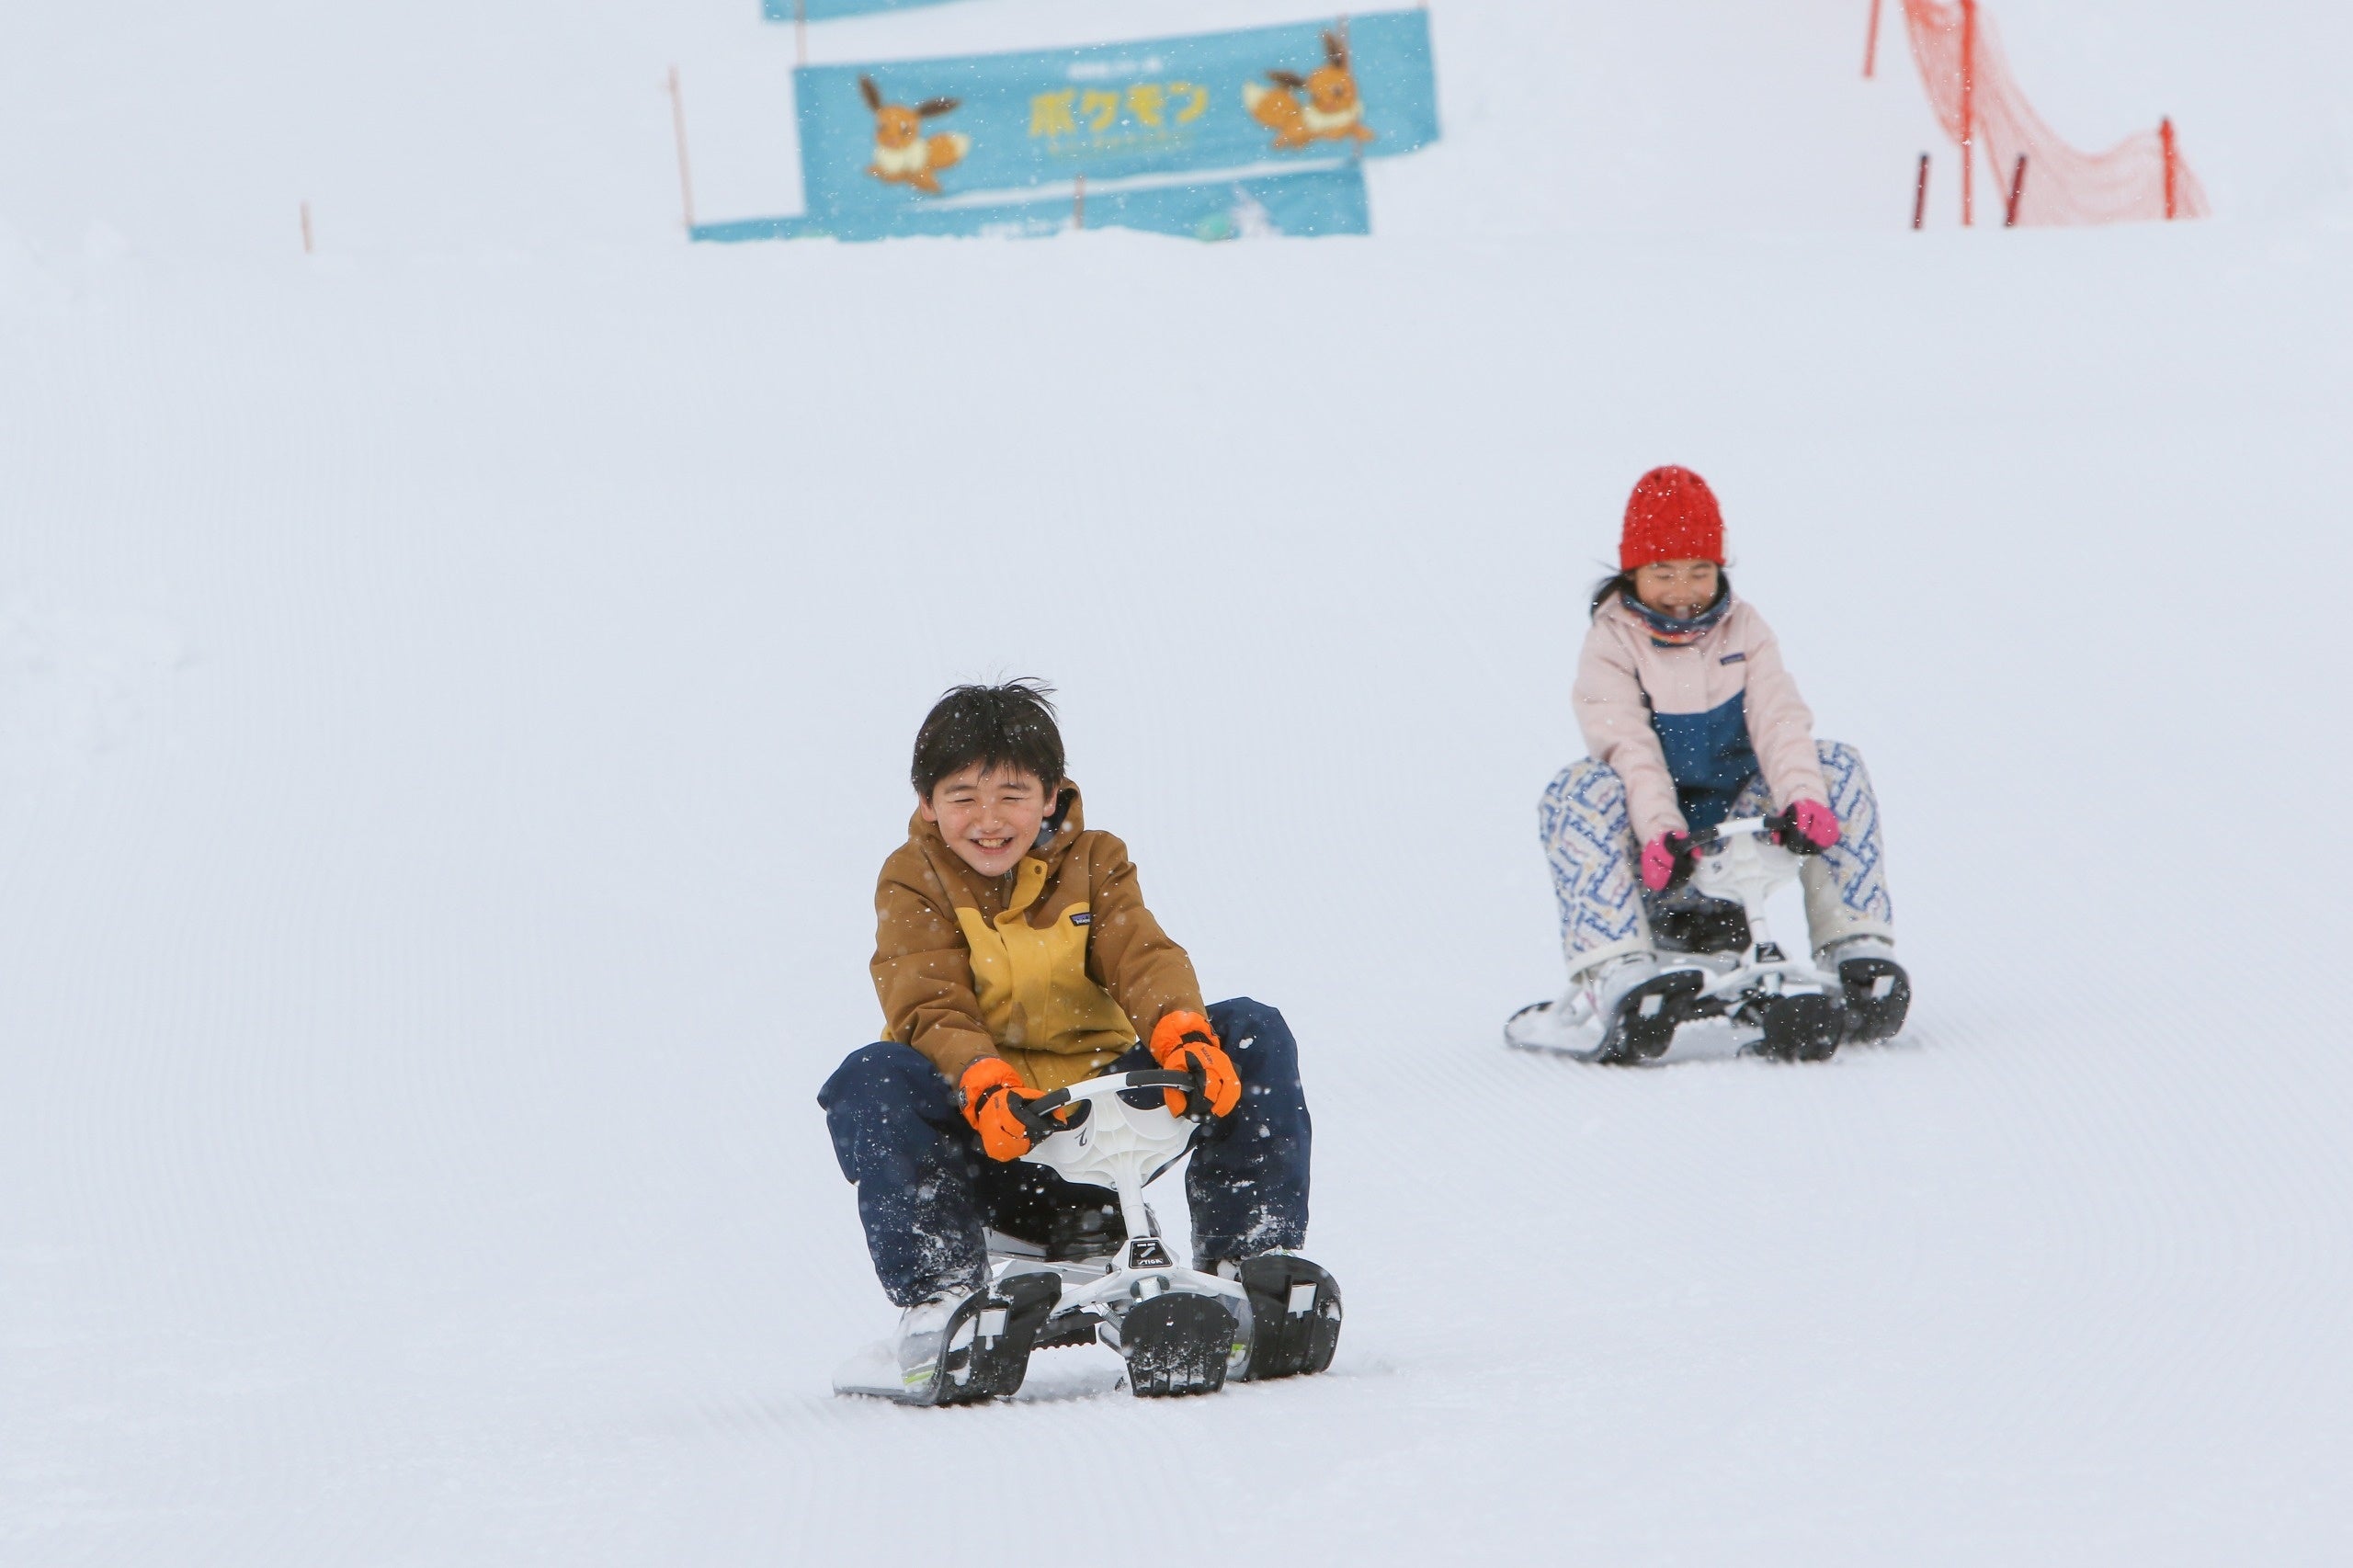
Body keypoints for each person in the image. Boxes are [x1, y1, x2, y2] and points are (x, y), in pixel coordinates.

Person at [818, 680, 1336, 1401]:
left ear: (1052, 797)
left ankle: (1250, 1266)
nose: (988, 820)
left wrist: (1183, 1035)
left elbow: (1141, 955)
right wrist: (984, 1083)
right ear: (927, 803)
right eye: (963, 797)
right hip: (992, 1134)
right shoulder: (914, 878)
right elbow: (929, 1001)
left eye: (1012, 795)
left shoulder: (1095, 861)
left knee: (1250, 1030)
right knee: (873, 1075)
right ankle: (941, 1304)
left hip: (1103, 1120)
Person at [1533, 466, 1910, 1062]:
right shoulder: (1612, 643)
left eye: (1699, 571)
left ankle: (1857, 950)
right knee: (1577, 789)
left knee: (1834, 764)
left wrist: (1803, 800)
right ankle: (1622, 975)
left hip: (1742, 827)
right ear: (1632, 573)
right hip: (1656, 847)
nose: (1682, 590)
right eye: (1663, 573)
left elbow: (1779, 722)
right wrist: (1661, 833)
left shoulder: (1745, 630)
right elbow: (1629, 749)